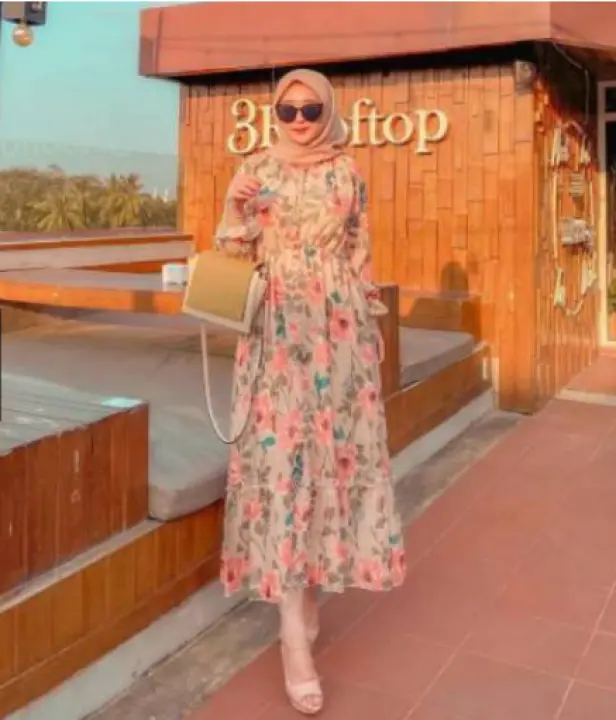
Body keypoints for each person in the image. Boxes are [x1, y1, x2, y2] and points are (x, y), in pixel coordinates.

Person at [215, 68, 406, 715]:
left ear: (328, 112)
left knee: (332, 462)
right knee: (282, 465)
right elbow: (231, 255)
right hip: (274, 332)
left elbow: (358, 252)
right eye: (288, 110)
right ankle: (293, 636)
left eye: (310, 110)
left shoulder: (346, 172)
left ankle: (308, 593)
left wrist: (370, 327)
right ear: (276, 114)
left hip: (339, 334)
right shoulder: (256, 168)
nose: (298, 120)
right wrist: (233, 209)